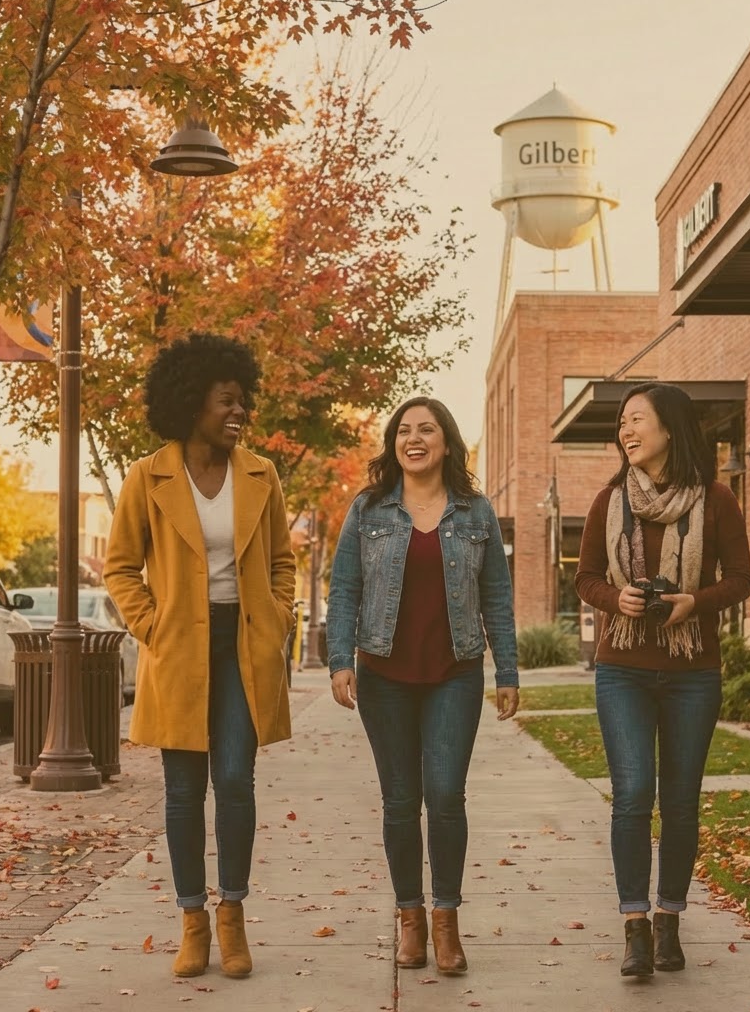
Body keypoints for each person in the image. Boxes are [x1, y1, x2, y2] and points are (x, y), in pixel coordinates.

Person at [104, 333, 296, 980]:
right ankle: (192, 920)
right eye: (226, 401)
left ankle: (233, 915)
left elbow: (281, 562)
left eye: (243, 401)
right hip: (178, 646)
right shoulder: (147, 476)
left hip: (243, 644)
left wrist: (278, 619)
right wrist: (152, 627)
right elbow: (120, 566)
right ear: (192, 403)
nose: (239, 413)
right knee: (184, 791)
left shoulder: (261, 474)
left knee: (235, 781)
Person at [327, 396, 519, 976]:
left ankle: (446, 920)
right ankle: (410, 918)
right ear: (393, 443)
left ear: (446, 441)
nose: (414, 438)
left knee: (446, 796)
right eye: (404, 430)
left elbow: (497, 599)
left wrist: (507, 671)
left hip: (455, 674)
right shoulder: (368, 510)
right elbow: (344, 590)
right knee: (400, 801)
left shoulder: (476, 511)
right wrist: (341, 660)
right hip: (384, 674)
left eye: (426, 429)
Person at [575, 382, 750, 979]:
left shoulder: (717, 498)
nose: (627, 431)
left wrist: (692, 603)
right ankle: (634, 927)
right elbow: (587, 578)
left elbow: (741, 580)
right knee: (631, 796)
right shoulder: (609, 499)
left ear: (670, 429)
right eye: (623, 423)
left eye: (637, 421)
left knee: (679, 802)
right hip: (622, 668)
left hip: (692, 672)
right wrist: (615, 599)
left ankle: (669, 920)